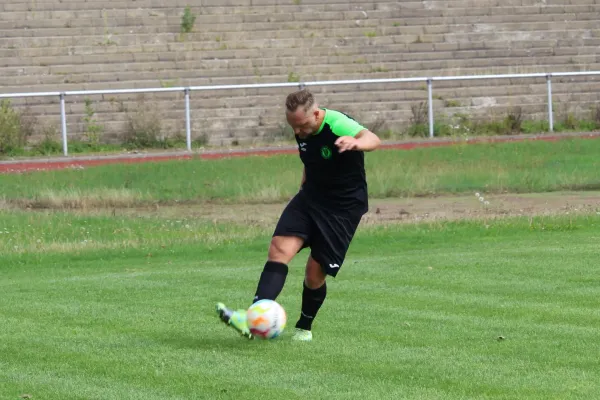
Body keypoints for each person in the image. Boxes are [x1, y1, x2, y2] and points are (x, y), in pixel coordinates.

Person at [216, 88, 381, 341]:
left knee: (315, 274)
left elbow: (373, 139)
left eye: (301, 126)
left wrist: (356, 142)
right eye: (292, 126)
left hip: (342, 208)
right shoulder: (302, 128)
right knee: (278, 249)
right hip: (310, 198)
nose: (297, 132)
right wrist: (303, 187)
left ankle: (304, 327)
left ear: (315, 114)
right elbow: (310, 160)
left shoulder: (337, 123)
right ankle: (252, 320)